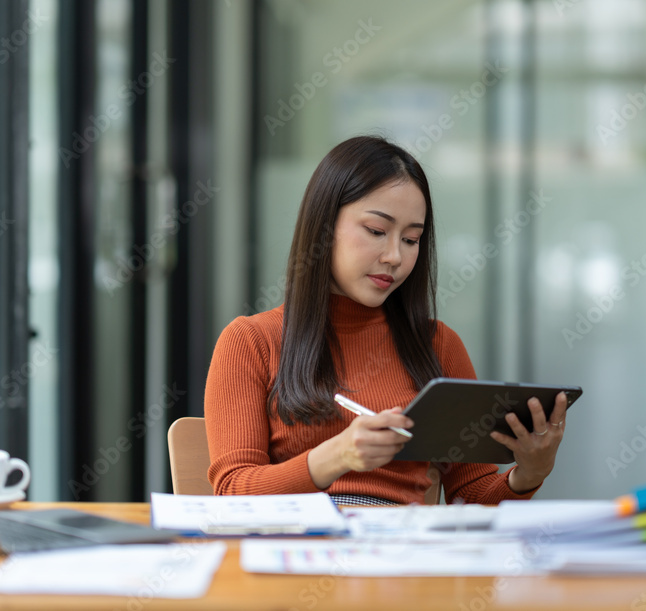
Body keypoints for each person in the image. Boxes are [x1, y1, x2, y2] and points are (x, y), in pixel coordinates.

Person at [204, 135, 567, 506]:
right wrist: (337, 456)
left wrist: (528, 475)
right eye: (377, 231)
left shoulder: (438, 345)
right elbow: (233, 492)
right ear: (324, 224)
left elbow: (470, 498)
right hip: (296, 553)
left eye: (411, 240)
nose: (394, 256)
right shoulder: (251, 341)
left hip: (400, 553)